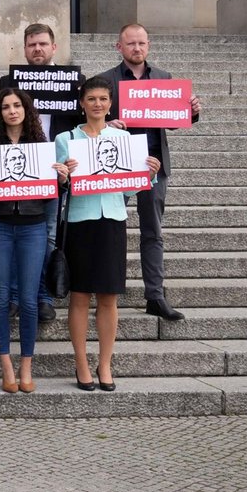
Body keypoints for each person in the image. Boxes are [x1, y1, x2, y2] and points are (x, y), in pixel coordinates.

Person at [56, 76, 161, 391]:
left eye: (103, 99)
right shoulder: (66, 139)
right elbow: (62, 185)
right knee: (79, 296)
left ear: (110, 103)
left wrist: (148, 174)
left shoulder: (122, 139)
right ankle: (81, 363)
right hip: (79, 221)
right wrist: (64, 176)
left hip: (112, 219)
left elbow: (129, 186)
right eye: (91, 99)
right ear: (82, 103)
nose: (97, 104)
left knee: (108, 296)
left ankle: (105, 363)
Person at [0, 88, 69, 393]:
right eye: (6, 106)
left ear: (26, 110)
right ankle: (6, 364)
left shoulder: (41, 146)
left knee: (28, 299)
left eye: (17, 105)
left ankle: (26, 366)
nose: (12, 111)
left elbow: (51, 195)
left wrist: (62, 181)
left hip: (33, 228)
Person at [96, 23, 202, 321]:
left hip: (153, 166)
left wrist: (191, 110)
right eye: (131, 44)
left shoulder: (164, 79)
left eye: (141, 43)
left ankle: (155, 295)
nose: (137, 48)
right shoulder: (106, 80)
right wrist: (107, 125)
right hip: (117, 165)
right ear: (120, 47)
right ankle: (106, 292)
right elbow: (93, 119)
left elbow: (172, 121)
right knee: (110, 229)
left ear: (149, 45)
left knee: (153, 232)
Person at [0, 23, 84, 324]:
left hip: (54, 169)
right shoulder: (11, 80)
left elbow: (86, 120)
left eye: (43, 44)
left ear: (54, 47)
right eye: (32, 44)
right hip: (15, 168)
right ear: (24, 48)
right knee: (15, 234)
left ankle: (43, 296)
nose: (37, 49)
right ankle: (16, 296)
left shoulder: (73, 81)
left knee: (46, 235)